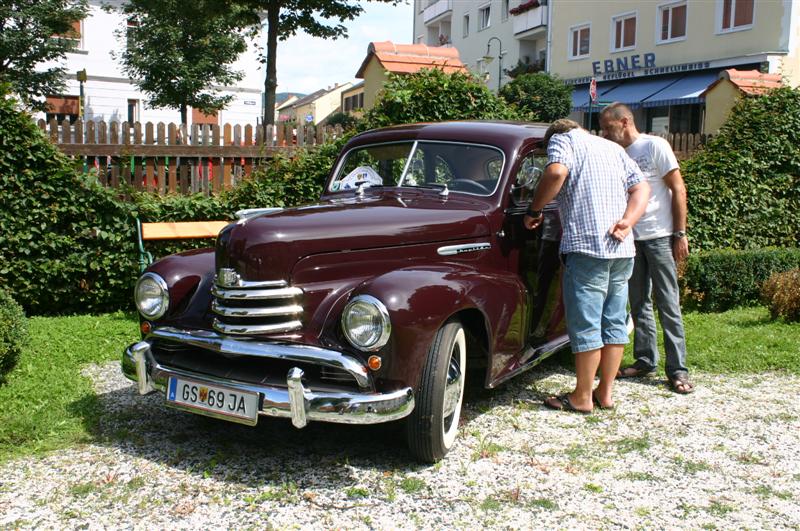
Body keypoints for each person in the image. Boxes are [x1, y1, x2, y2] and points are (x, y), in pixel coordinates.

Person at [525, 119, 650, 412]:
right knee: (614, 322)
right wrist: (628, 221)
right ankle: (604, 393)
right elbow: (642, 188)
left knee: (586, 323)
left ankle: (582, 396)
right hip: (621, 248)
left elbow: (556, 172)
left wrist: (535, 209)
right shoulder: (612, 147)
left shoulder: (562, 140)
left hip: (587, 245)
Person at [599, 102, 694, 394]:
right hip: (630, 240)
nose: (603, 132)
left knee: (668, 303)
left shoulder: (655, 146)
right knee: (638, 303)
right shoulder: (616, 153)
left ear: (625, 121)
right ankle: (645, 360)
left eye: (607, 126)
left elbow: (678, 188)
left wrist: (680, 233)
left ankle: (677, 370)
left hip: (660, 236)